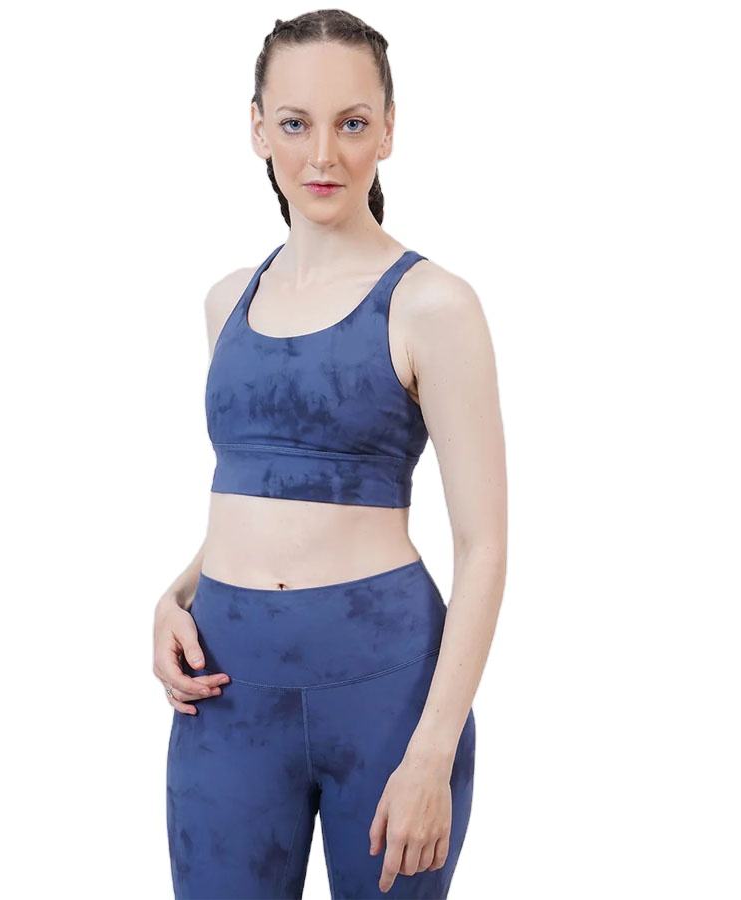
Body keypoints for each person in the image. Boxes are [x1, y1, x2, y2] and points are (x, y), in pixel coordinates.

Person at [152, 10, 507, 899]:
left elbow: (485, 547)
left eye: (351, 123)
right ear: (256, 128)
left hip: (385, 697)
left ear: (388, 130)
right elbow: (264, 491)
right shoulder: (227, 301)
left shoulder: (433, 305)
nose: (323, 156)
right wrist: (177, 594)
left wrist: (431, 753)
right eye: (295, 122)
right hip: (228, 692)